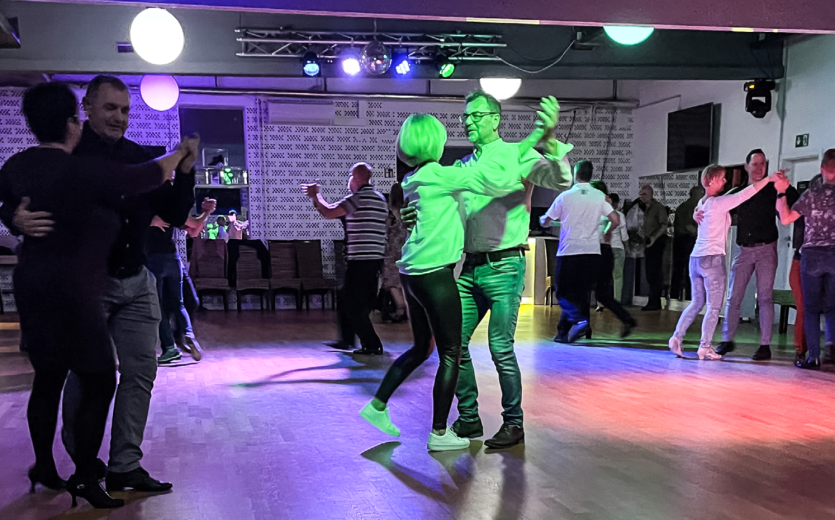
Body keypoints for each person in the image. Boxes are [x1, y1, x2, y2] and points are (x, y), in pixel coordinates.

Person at [0, 82, 191, 508]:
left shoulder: (130, 154)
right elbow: (18, 195)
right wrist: (15, 218)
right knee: (89, 376)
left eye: (125, 110)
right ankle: (82, 467)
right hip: (84, 285)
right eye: (110, 108)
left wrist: (185, 171)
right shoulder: (74, 159)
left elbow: (174, 211)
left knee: (115, 374)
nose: (119, 117)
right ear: (82, 112)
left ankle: (106, 465)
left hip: (109, 279)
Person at [359, 113, 548, 452]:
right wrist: (533, 139)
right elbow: (499, 182)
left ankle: (377, 405)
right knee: (451, 353)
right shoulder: (444, 175)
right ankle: (438, 433)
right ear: (434, 142)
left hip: (411, 273)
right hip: (435, 273)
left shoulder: (413, 178)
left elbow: (407, 205)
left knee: (422, 348)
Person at [403, 92, 570, 450]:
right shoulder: (461, 166)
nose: (468, 122)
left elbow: (561, 181)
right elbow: (440, 206)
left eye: (476, 115)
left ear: (496, 119)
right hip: (470, 267)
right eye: (465, 117)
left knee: (500, 347)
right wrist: (413, 212)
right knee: (454, 346)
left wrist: (551, 139)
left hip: (505, 265)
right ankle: (469, 417)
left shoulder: (519, 155)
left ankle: (514, 423)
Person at [668, 165, 779, 361]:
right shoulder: (718, 203)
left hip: (696, 259)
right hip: (712, 259)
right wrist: (769, 180)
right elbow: (745, 194)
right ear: (711, 180)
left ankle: (677, 337)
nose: (725, 181)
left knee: (696, 302)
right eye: (721, 178)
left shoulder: (702, 202)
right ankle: (705, 347)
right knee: (713, 307)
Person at [716, 149, 798, 360]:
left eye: (763, 164)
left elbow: (796, 200)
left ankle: (765, 345)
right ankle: (726, 339)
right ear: (747, 167)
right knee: (734, 296)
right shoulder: (740, 192)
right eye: (755, 164)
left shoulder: (772, 188)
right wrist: (701, 210)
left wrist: (784, 186)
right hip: (743, 249)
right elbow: (717, 206)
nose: (760, 168)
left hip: (766, 248)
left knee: (765, 297)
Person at [541, 161, 635, 342]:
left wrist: (544, 220)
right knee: (584, 292)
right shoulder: (599, 197)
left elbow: (547, 220)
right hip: (593, 251)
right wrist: (607, 232)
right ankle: (570, 330)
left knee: (564, 292)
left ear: (575, 174)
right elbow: (615, 219)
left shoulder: (565, 196)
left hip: (570, 251)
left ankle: (578, 322)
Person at [303, 163, 389, 355]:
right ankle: (347, 340)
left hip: (360, 260)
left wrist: (316, 195)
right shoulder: (380, 199)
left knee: (352, 304)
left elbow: (328, 212)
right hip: (375, 259)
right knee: (347, 299)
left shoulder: (358, 198)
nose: (349, 180)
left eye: (351, 175)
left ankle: (372, 344)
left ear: (356, 177)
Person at [776, 150, 835, 370]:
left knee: (811, 309)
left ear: (822, 169)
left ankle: (813, 357)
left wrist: (781, 192)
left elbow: (785, 218)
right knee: (832, 307)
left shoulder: (811, 194)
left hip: (811, 255)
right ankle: (832, 350)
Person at [147, 197, 216, 365]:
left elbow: (193, 230)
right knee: (179, 303)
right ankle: (188, 335)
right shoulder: (170, 209)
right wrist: (207, 212)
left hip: (153, 259)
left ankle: (170, 348)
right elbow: (194, 228)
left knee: (160, 307)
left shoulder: (145, 208)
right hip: (172, 258)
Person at [670, 186, 704, 300]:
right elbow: (689, 226)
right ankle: (690, 296)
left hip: (679, 240)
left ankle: (674, 295)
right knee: (691, 269)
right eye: (701, 193)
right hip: (688, 240)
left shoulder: (682, 207)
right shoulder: (693, 207)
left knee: (678, 269)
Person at [638, 185, 669, 310]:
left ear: (651, 195)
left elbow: (664, 225)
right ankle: (653, 300)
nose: (641, 197)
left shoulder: (658, 208)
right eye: (641, 194)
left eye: (644, 194)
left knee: (655, 272)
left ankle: (655, 301)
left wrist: (654, 238)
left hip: (657, 242)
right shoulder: (646, 208)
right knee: (650, 273)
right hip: (649, 242)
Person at [381, 183, 408, 323]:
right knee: (403, 280)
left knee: (391, 280)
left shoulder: (391, 212)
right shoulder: (408, 210)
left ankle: (400, 308)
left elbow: (386, 230)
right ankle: (405, 309)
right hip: (406, 247)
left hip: (392, 249)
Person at [608, 193, 629, 302]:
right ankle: (616, 301)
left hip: (605, 248)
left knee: (604, 276)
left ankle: (601, 303)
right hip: (618, 247)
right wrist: (627, 248)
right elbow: (624, 236)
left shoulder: (602, 215)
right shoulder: (620, 215)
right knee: (618, 277)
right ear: (616, 203)